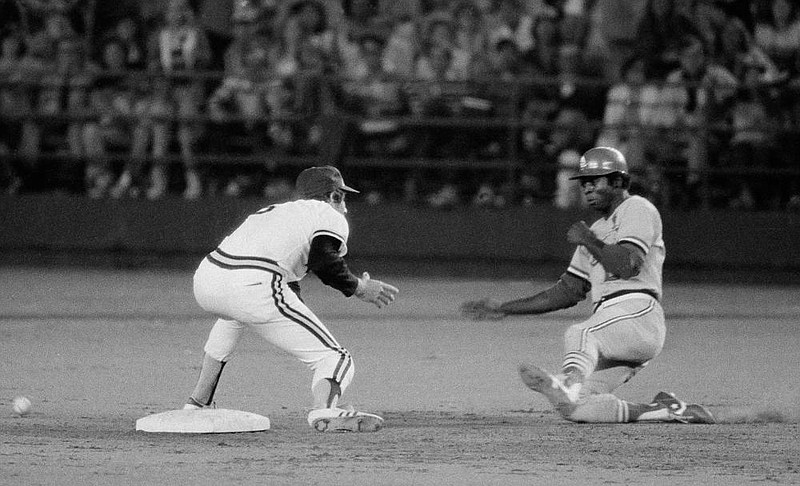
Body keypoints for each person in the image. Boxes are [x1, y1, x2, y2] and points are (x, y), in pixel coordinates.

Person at [460, 146, 715, 424]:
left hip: (638, 312)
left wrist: (589, 241)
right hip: (615, 329)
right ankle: (667, 409)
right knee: (578, 409)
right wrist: (505, 308)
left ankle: (569, 380)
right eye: (584, 182)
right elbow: (565, 292)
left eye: (595, 180)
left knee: (581, 333)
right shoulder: (593, 232)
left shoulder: (638, 208)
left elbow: (628, 266)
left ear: (618, 181)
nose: (588, 188)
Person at [184, 165, 399, 432]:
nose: (345, 206)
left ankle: (197, 403)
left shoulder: (273, 212)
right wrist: (359, 288)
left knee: (232, 319)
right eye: (342, 197)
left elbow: (289, 291)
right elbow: (325, 261)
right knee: (335, 358)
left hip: (206, 279)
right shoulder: (327, 215)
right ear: (333, 196)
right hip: (253, 286)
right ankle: (326, 410)